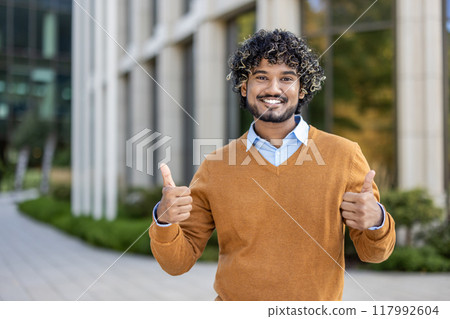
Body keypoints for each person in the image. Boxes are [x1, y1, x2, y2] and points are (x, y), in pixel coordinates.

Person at [149, 29, 395, 301]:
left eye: (287, 78)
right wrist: (164, 219)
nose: (273, 89)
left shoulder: (345, 155)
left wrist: (377, 221)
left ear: (302, 90)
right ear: (245, 87)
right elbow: (177, 263)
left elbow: (374, 254)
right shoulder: (215, 166)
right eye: (261, 77)